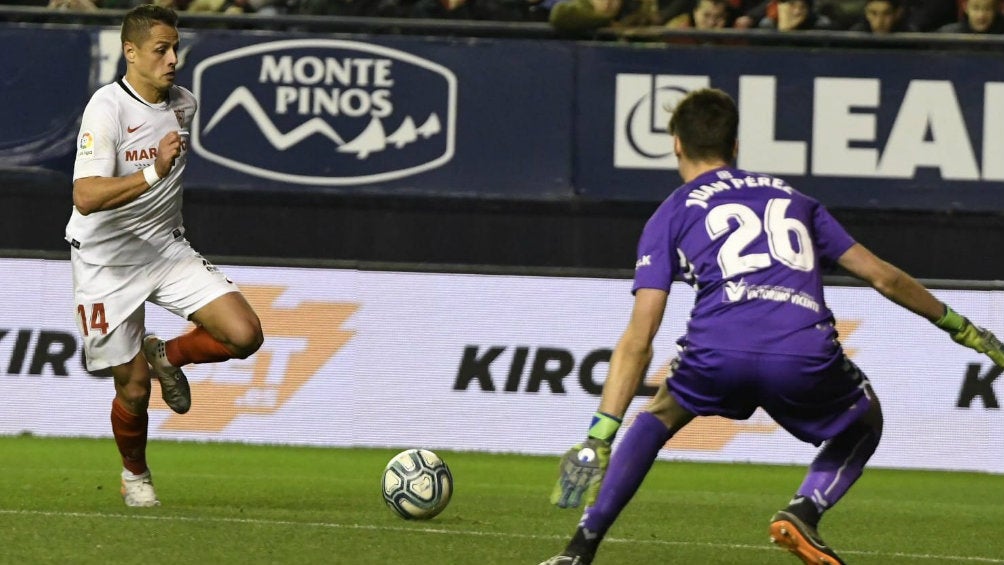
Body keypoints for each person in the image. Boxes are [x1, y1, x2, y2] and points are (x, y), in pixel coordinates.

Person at [539, 88, 1004, 565]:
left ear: (675, 144)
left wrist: (600, 434)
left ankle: (578, 551)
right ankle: (805, 509)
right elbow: (884, 277)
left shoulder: (671, 212)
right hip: (803, 352)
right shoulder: (796, 200)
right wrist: (960, 326)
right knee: (864, 420)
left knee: (658, 415)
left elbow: (640, 338)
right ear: (735, 146)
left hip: (717, 351)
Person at [66, 4, 264, 508]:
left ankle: (167, 355)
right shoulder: (106, 108)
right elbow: (85, 196)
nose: (173, 58)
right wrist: (152, 172)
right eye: (161, 49)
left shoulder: (184, 104)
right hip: (106, 262)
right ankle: (135, 476)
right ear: (130, 53)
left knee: (245, 335)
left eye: (176, 47)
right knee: (133, 391)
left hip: (164, 247)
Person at [937, 0, 1004, 33]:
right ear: (965, 7)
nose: (981, 15)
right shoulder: (947, 36)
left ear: (997, 10)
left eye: (987, 9)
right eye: (975, 8)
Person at [848, 0, 917, 31]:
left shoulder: (911, 38)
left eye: (886, 14)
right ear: (866, 12)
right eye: (873, 13)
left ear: (897, 13)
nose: (879, 22)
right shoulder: (855, 36)